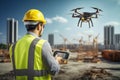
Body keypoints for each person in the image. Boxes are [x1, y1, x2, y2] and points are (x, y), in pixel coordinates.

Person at [9, 9, 60, 80]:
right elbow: (54, 71)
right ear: (39, 26)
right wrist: (56, 61)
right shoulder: (42, 44)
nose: (43, 28)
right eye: (43, 26)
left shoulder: (13, 46)